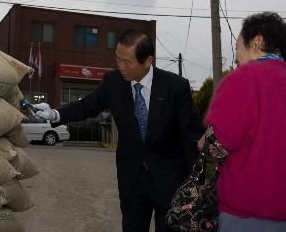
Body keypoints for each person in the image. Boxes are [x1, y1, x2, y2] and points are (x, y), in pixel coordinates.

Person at [35, 29, 203, 232]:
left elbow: (191, 137)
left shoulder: (175, 87)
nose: (120, 66)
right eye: (117, 59)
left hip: (169, 182)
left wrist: (197, 183)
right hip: (132, 181)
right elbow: (86, 106)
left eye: (127, 62)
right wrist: (54, 114)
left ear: (148, 61)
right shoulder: (113, 83)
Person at [198, 12, 286, 231]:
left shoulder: (243, 78)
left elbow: (218, 143)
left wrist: (204, 142)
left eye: (238, 49)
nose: (236, 58)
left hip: (247, 212)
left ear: (257, 42)